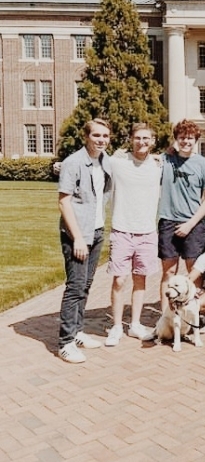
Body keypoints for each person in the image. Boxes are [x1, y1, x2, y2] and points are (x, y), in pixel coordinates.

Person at [57, 119, 112, 363]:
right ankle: (66, 342)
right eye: (97, 135)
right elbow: (63, 201)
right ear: (86, 136)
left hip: (97, 230)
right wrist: (77, 238)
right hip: (77, 234)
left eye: (105, 136)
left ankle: (78, 331)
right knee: (75, 286)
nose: (101, 140)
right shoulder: (74, 163)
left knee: (86, 285)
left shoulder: (104, 160)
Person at [105, 123, 161, 347]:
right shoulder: (117, 163)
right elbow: (93, 160)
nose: (142, 142)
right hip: (122, 230)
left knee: (141, 279)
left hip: (147, 231)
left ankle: (135, 324)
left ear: (153, 141)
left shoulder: (159, 166)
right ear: (131, 139)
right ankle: (117, 326)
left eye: (146, 138)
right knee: (119, 280)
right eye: (138, 138)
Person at [158, 119, 205, 311]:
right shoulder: (165, 160)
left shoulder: (203, 164)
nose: (186, 141)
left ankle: (193, 313)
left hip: (194, 224)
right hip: (168, 222)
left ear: (196, 140)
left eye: (190, 138)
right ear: (176, 139)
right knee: (168, 272)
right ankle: (167, 314)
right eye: (182, 138)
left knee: (194, 272)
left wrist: (190, 224)